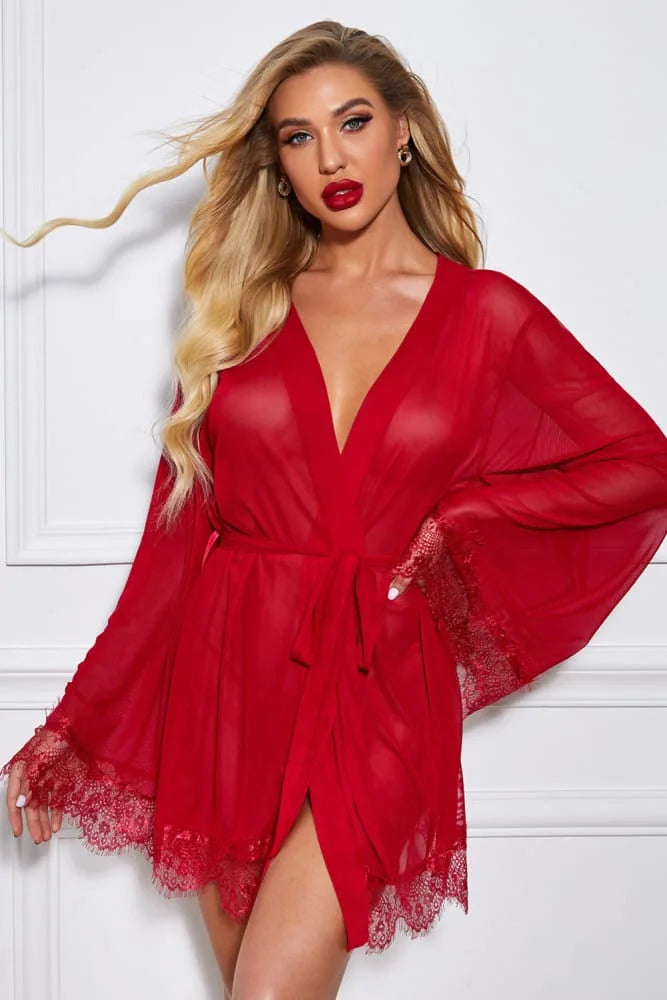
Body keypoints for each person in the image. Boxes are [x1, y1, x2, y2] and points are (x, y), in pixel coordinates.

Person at [2, 19, 667, 1000]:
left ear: (404, 130)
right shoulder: (242, 309)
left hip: (380, 678)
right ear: (276, 163)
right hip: (229, 682)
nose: (330, 158)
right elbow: (168, 555)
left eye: (352, 122)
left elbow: (641, 464)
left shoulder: (487, 314)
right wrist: (72, 724)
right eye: (298, 136)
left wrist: (462, 523)